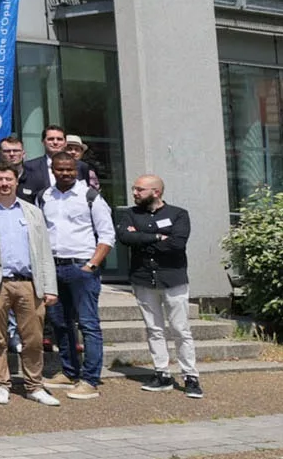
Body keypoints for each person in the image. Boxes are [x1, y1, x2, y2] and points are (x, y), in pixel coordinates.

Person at [0, 162, 62, 407]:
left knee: (33, 339)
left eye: (9, 179)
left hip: (29, 283)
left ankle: (34, 386)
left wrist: (50, 287)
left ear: (16, 181)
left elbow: (44, 252)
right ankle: (0, 384)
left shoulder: (32, 212)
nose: (4, 184)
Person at [116, 174, 202, 399]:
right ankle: (162, 373)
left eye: (139, 190)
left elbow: (177, 244)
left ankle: (190, 376)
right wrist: (157, 237)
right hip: (143, 279)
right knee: (154, 329)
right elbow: (125, 238)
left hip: (173, 279)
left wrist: (143, 237)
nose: (134, 193)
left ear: (156, 192)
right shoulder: (130, 214)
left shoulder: (178, 214)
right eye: (134, 188)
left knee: (180, 329)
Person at [40, 152, 116, 400]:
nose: (65, 173)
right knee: (60, 323)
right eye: (60, 169)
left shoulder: (90, 197)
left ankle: (90, 379)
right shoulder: (45, 197)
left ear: (76, 170)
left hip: (81, 268)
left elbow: (107, 235)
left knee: (88, 324)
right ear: (53, 169)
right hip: (53, 267)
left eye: (69, 170)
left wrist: (92, 265)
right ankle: (69, 371)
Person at [20, 125, 94, 200]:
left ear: (65, 142)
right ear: (43, 141)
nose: (55, 142)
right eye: (51, 139)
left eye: (59, 139)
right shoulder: (30, 166)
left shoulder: (81, 166)